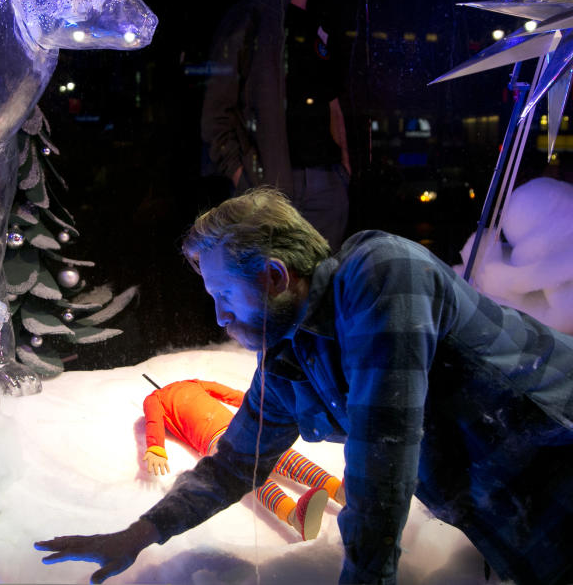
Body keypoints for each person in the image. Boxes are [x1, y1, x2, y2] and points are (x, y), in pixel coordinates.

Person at [36, 187, 573, 584]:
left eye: (224, 294)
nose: (220, 316)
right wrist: (140, 533)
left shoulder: (382, 273)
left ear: (274, 275)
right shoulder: (290, 355)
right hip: (509, 517)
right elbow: (232, 463)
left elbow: (382, 449)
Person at [200, 0, 351, 250]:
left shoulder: (319, 23)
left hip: (327, 182)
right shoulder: (249, 21)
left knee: (321, 286)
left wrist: (342, 167)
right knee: (275, 293)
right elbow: (216, 112)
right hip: (274, 188)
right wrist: (246, 180)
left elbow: (331, 99)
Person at [142, 378, 343, 540]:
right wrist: (156, 447)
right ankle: (304, 508)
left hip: (234, 429)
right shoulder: (163, 395)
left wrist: (257, 404)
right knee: (272, 460)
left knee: (255, 469)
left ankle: (329, 494)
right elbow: (227, 394)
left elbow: (226, 394)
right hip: (230, 432)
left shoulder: (168, 393)